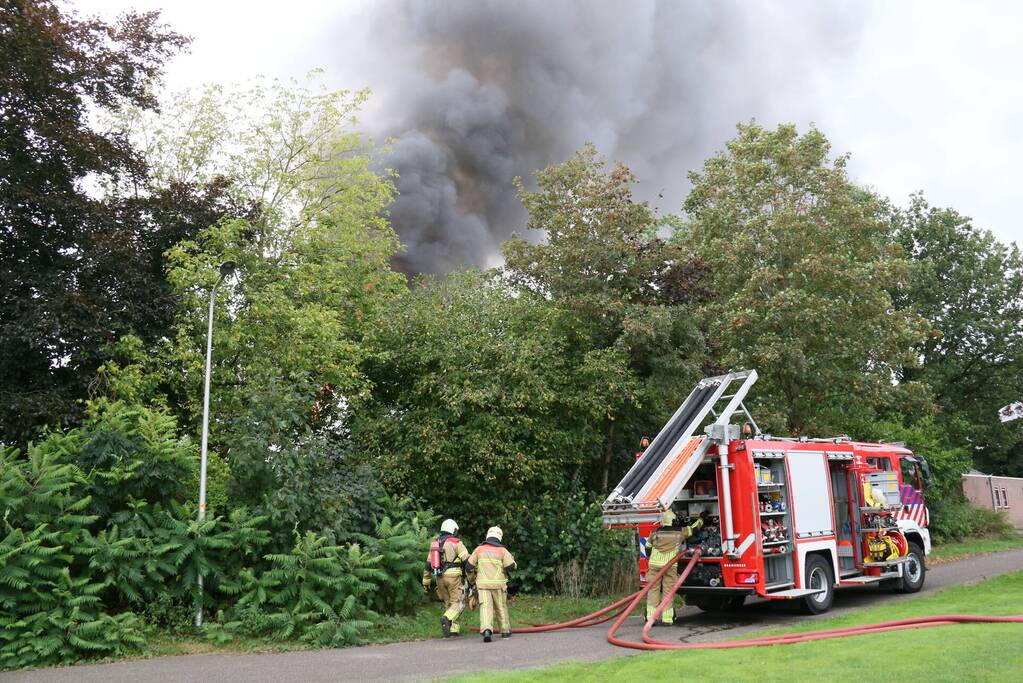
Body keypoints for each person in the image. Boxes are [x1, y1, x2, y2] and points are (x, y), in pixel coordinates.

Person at [646, 509, 705, 625]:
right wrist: (701, 518)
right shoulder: (680, 532)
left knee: (653, 590)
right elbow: (694, 529)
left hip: (654, 565)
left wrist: (653, 557)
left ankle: (650, 618)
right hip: (670, 566)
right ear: (674, 521)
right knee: (668, 591)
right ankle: (667, 619)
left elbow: (648, 548)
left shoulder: (654, 532)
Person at [422, 518, 471, 638]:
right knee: (458, 602)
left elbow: (428, 564)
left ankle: (453, 629)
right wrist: (472, 575)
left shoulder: (435, 543)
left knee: (448, 602)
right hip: (453, 577)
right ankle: (447, 618)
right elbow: (467, 561)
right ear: (453, 530)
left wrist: (426, 580)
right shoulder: (456, 542)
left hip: (439, 578)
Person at [467, 526, 516, 643]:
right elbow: (511, 567)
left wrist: (472, 580)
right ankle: (505, 631)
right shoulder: (502, 550)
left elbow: (469, 566)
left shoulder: (479, 550)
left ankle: (487, 631)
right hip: (498, 585)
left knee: (485, 607)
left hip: (483, 585)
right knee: (501, 606)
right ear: (499, 537)